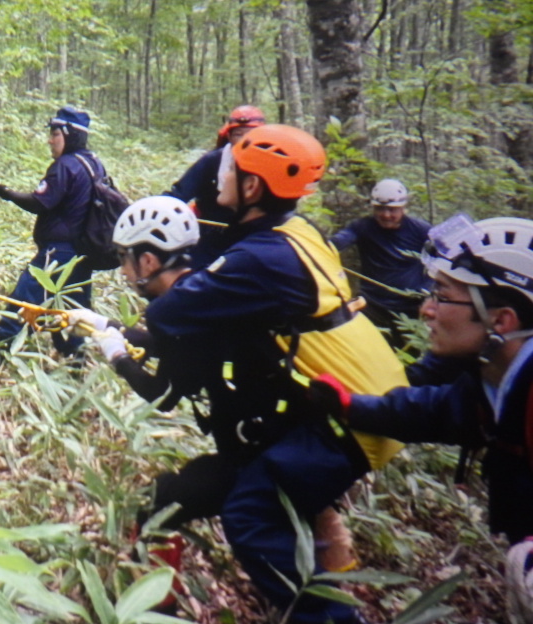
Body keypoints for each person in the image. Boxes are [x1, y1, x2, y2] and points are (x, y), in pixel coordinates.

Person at [77, 124, 406, 623]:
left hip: (347, 417)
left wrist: (115, 343)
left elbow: (171, 318)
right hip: (353, 401)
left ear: (252, 188)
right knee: (180, 496)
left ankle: (328, 615)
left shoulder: (256, 260)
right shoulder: (293, 234)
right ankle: (158, 608)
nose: (217, 178)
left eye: (227, 168)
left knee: (248, 515)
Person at [67, 195, 357, 614]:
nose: (124, 269)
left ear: (148, 261)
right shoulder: (203, 293)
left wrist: (116, 356)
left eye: (125, 258)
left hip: (264, 454)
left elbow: (163, 394)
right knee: (170, 500)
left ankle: (154, 612)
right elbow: (180, 346)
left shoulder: (180, 308)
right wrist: (110, 327)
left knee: (161, 504)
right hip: (289, 437)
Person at [312, 213, 533, 622]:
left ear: (501, 320)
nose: (427, 310)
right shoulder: (494, 382)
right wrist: (350, 405)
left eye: (443, 296)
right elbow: (432, 412)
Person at [0, 105, 108, 390]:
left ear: (70, 135)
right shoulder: (94, 163)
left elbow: (40, 202)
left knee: (20, 308)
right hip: (81, 257)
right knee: (73, 315)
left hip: (56, 256)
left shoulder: (66, 166)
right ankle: (76, 382)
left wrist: (6, 193)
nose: (50, 140)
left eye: (55, 133)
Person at [331, 178, 432, 349]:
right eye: (379, 209)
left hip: (409, 308)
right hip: (372, 305)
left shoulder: (420, 230)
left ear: (403, 208)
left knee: (410, 354)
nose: (386, 215)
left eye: (392, 210)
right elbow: (337, 242)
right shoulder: (363, 227)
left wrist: (427, 289)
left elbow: (445, 258)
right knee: (368, 351)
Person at [164, 105, 266, 268]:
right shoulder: (212, 161)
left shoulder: (271, 165)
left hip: (252, 241)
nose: (243, 141)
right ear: (229, 136)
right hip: (207, 239)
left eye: (250, 135)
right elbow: (179, 194)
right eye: (238, 134)